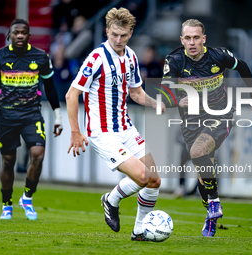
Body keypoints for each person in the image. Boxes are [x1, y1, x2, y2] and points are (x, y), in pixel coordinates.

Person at [66, 7, 165, 241]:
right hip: (102, 132)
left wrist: (152, 103)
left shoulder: (130, 56)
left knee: (154, 180)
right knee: (141, 176)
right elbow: (72, 95)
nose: (118, 40)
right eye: (114, 35)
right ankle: (111, 200)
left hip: (126, 128)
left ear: (131, 33)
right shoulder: (96, 58)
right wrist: (75, 132)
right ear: (106, 31)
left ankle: (139, 231)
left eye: (123, 35)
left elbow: (136, 92)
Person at [161, 19, 252, 237]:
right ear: (182, 40)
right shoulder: (175, 60)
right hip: (191, 123)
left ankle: (215, 204)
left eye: (196, 38)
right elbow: (163, 92)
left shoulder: (219, 56)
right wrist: (176, 101)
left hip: (220, 114)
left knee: (197, 153)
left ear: (203, 39)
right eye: (187, 38)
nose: (192, 43)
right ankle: (211, 214)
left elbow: (243, 66)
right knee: (203, 174)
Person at [0, 19, 63, 220]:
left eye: (24, 32)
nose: (20, 35)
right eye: (16, 32)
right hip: (6, 116)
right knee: (8, 161)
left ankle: (27, 197)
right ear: (9, 35)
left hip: (31, 114)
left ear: (29, 35)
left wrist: (57, 115)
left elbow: (50, 87)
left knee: (38, 153)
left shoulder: (41, 57)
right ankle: (6, 205)